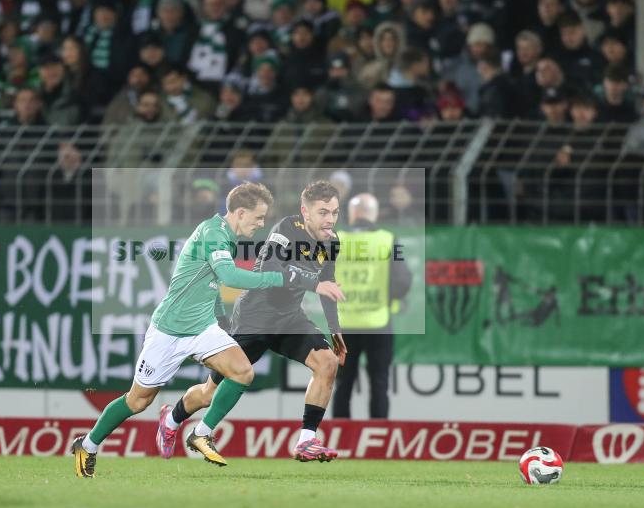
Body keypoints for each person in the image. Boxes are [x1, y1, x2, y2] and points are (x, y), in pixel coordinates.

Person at [71, 183, 337, 475]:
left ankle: (201, 432)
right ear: (240, 213)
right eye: (258, 218)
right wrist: (281, 279)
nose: (262, 224)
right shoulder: (213, 234)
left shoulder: (227, 235)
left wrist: (221, 320)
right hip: (170, 330)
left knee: (242, 371)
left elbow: (210, 284)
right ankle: (89, 444)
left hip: (202, 327)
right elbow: (228, 276)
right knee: (137, 401)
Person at [156, 181, 348, 462]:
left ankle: (307, 440)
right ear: (305, 213)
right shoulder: (285, 229)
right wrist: (312, 282)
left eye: (335, 212)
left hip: (289, 319)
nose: (330, 219)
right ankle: (171, 421)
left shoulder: (332, 242)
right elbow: (272, 270)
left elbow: (328, 285)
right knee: (209, 393)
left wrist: (335, 329)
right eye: (323, 212)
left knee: (327, 363)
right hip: (254, 318)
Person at [332, 193, 411, 419]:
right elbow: (403, 281)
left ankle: (341, 436)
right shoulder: (387, 239)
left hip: (343, 324)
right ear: (373, 214)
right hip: (378, 322)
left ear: (353, 214)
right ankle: (379, 437)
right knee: (379, 383)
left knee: (342, 385)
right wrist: (388, 298)